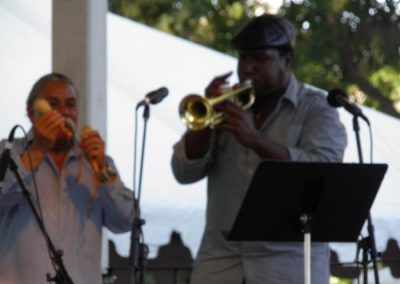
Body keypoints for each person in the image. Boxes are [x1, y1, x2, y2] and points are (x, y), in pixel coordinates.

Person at [171, 14, 347, 284]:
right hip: (220, 261)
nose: (248, 68)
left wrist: (254, 140)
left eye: (259, 58)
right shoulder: (230, 108)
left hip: (286, 265)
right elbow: (183, 172)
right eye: (243, 58)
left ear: (286, 61)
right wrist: (204, 125)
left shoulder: (317, 109)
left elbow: (322, 171)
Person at [0, 73, 134, 283]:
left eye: (70, 105)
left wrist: (104, 172)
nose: (63, 112)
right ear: (31, 113)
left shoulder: (95, 163)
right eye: (53, 105)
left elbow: (126, 221)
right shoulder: (8, 152)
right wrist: (37, 151)